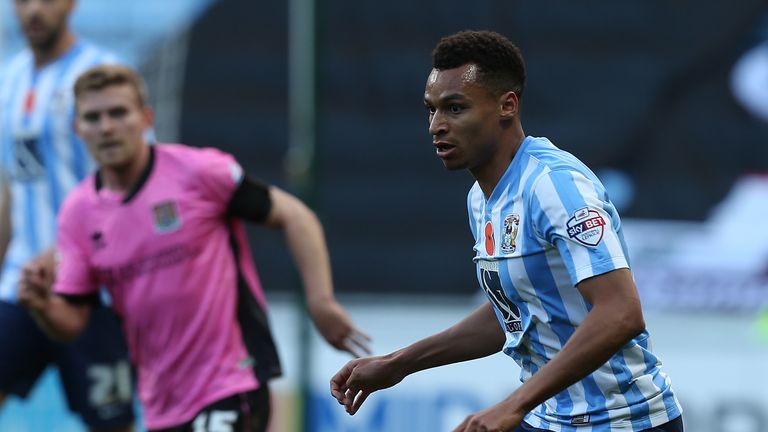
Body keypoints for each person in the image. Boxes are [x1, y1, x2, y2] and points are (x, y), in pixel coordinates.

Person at [330, 30, 684, 432]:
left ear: (507, 106)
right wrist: (397, 364)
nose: (436, 126)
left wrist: (512, 405)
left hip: (623, 423)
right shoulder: (480, 199)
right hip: (548, 419)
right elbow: (514, 312)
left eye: (455, 108)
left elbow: (621, 312)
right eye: (431, 110)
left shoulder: (554, 186)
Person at [18, 64, 371, 432]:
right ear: (78, 129)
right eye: (93, 117)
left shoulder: (198, 173)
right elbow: (72, 321)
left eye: (118, 113)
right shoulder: (78, 214)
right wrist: (42, 306)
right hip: (161, 404)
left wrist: (320, 300)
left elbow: (296, 215)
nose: (106, 127)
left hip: (232, 380)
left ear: (145, 118)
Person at [0, 1, 136, 430]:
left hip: (95, 295)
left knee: (112, 423)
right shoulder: (8, 80)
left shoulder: (105, 75)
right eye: (23, 0)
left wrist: (69, 255)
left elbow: (136, 185)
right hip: (21, 285)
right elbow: (10, 189)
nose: (34, 10)